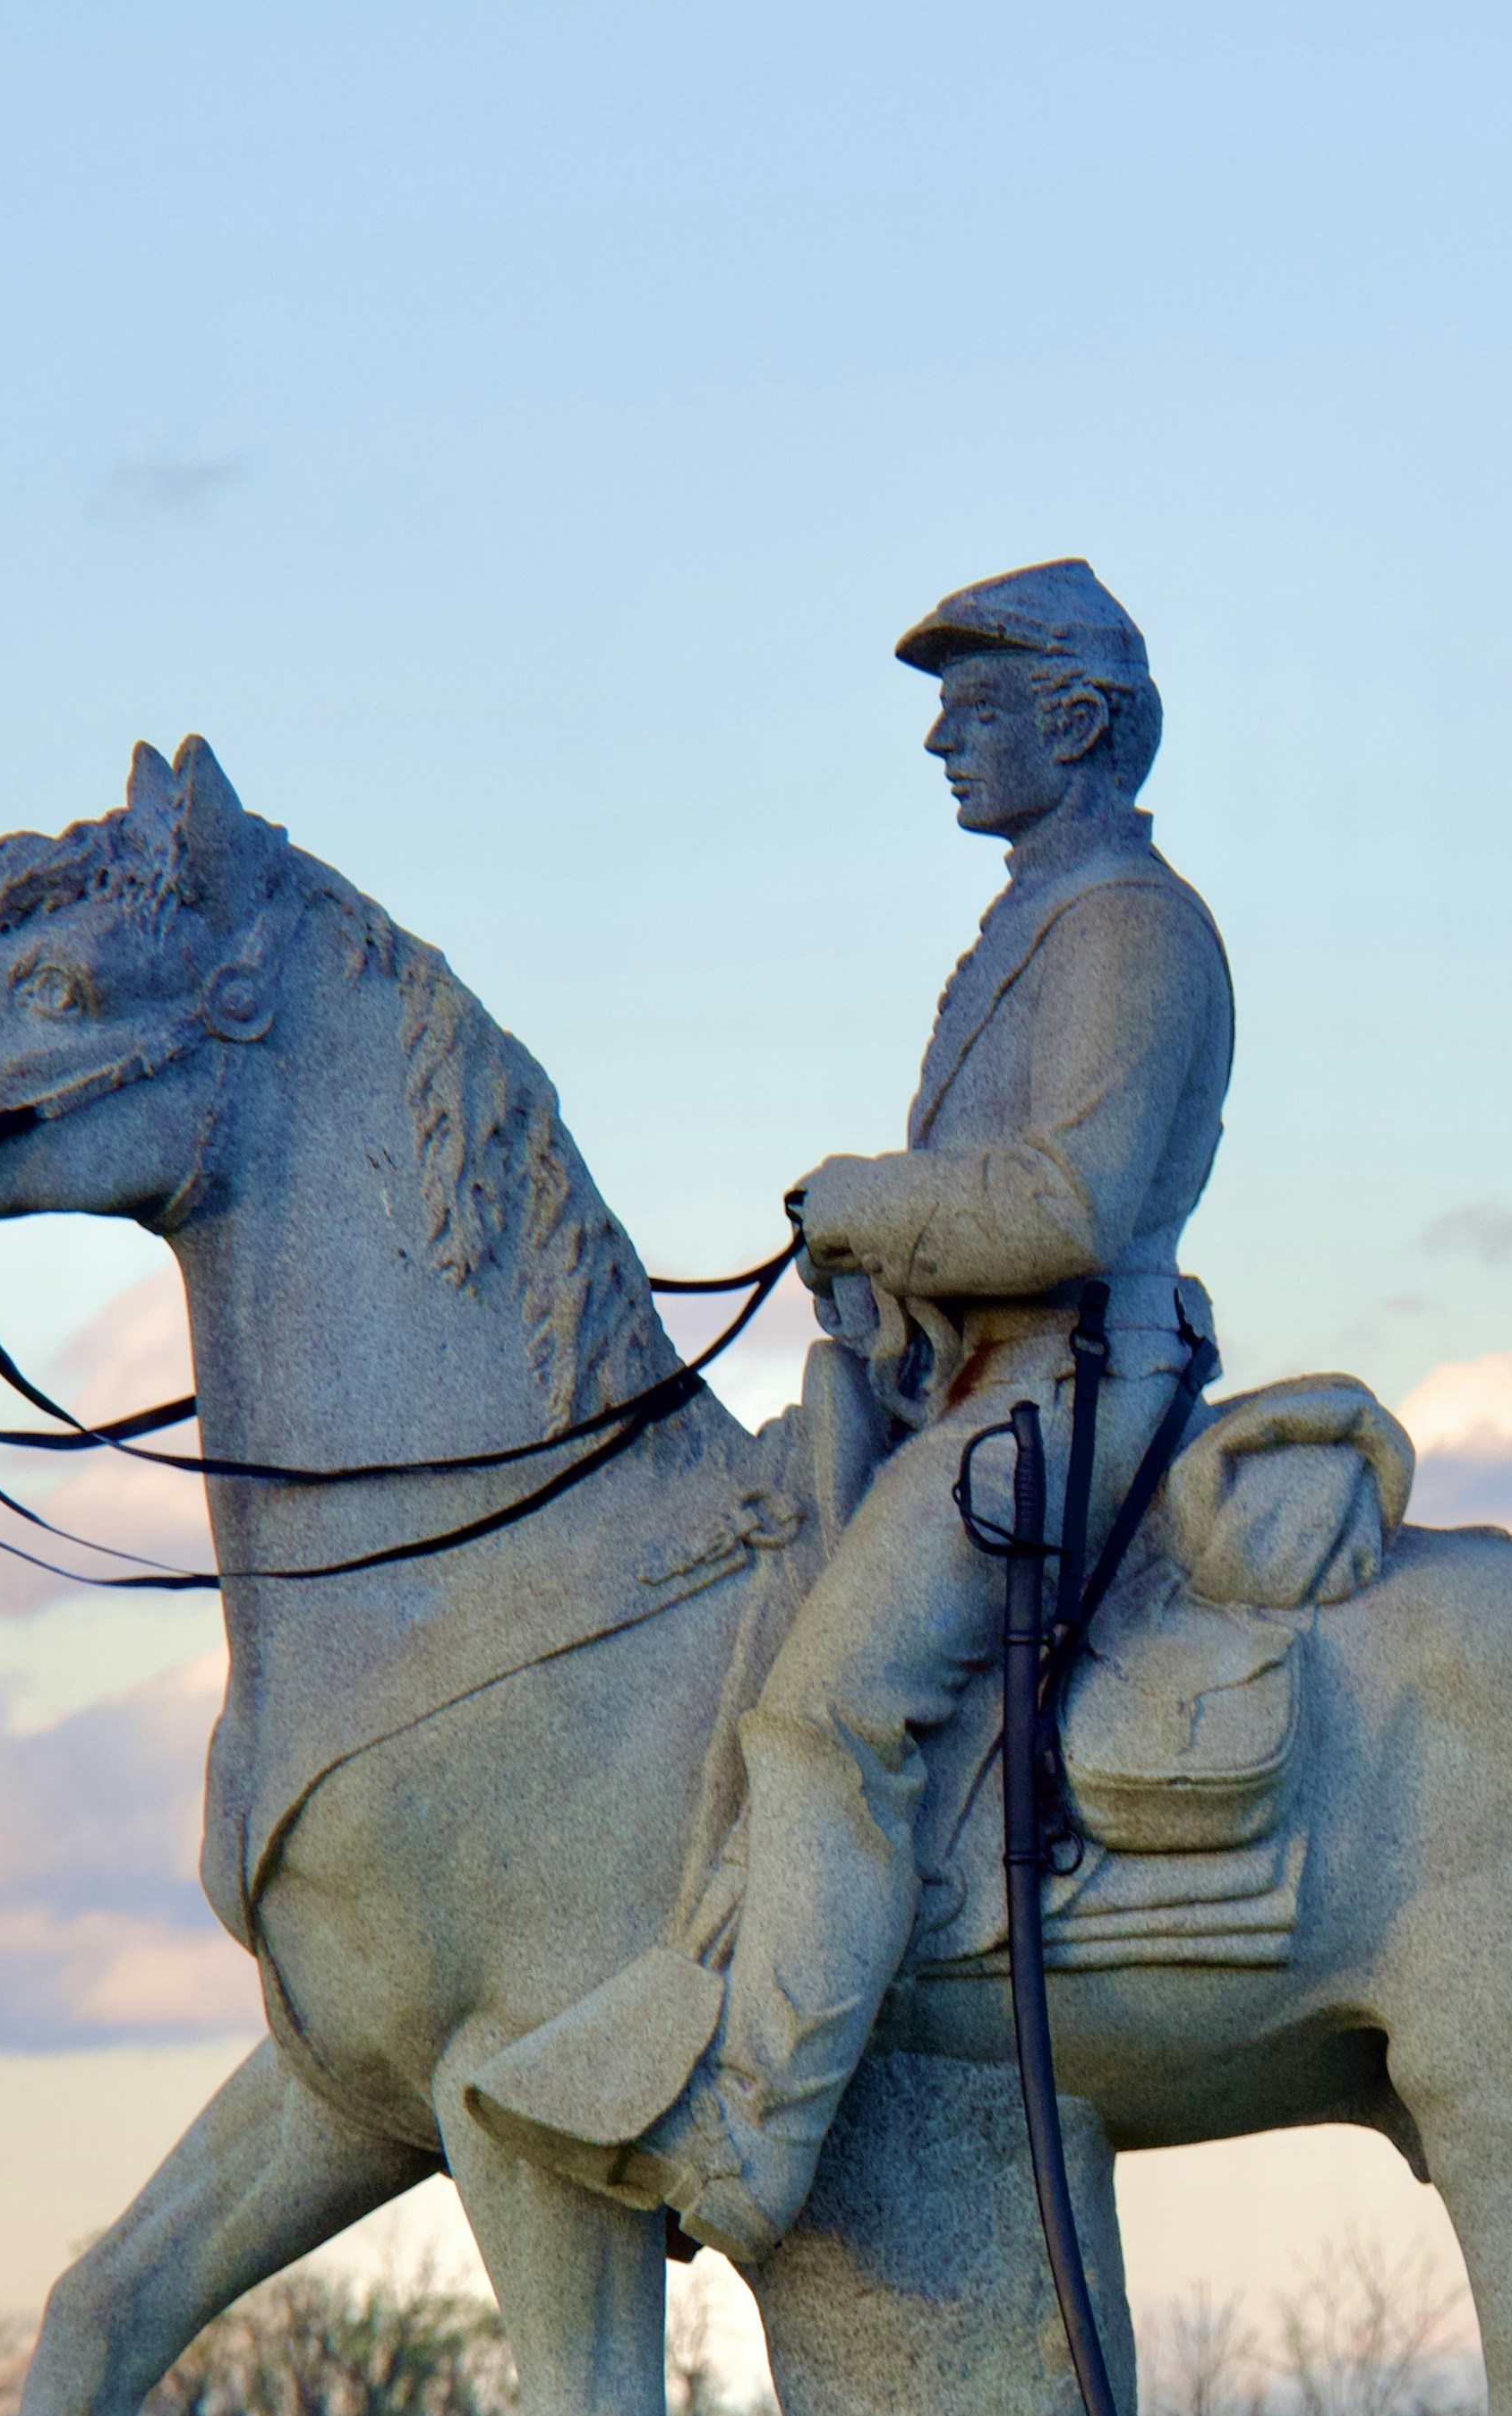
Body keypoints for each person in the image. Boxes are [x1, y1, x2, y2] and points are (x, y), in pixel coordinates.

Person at [474, 559, 1233, 2260]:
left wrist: (872, 1206)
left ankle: (759, 2136)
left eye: (975, 706)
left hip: (1069, 1390)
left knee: (831, 1711)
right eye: (944, 708)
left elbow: (1076, 1202)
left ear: (1082, 720)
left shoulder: (1127, 926)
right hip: (982, 1377)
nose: (943, 741)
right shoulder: (1045, 919)